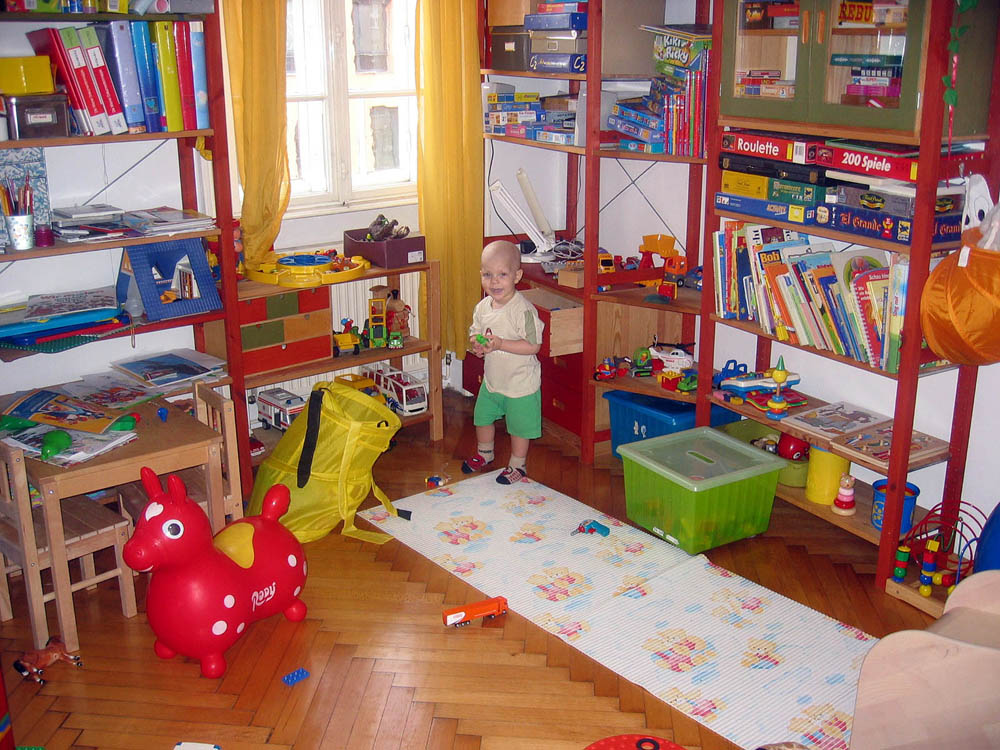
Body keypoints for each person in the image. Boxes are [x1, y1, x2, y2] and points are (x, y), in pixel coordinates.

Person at [462, 240, 544, 484]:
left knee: (519, 428)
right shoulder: (482, 307)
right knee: (482, 418)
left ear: (517, 276)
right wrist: (477, 345)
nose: (494, 281)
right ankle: (485, 453)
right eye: (487, 275)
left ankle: (518, 464)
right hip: (493, 381)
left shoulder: (523, 311)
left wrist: (500, 344)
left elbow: (533, 345)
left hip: (520, 385)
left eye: (502, 275)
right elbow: (476, 332)